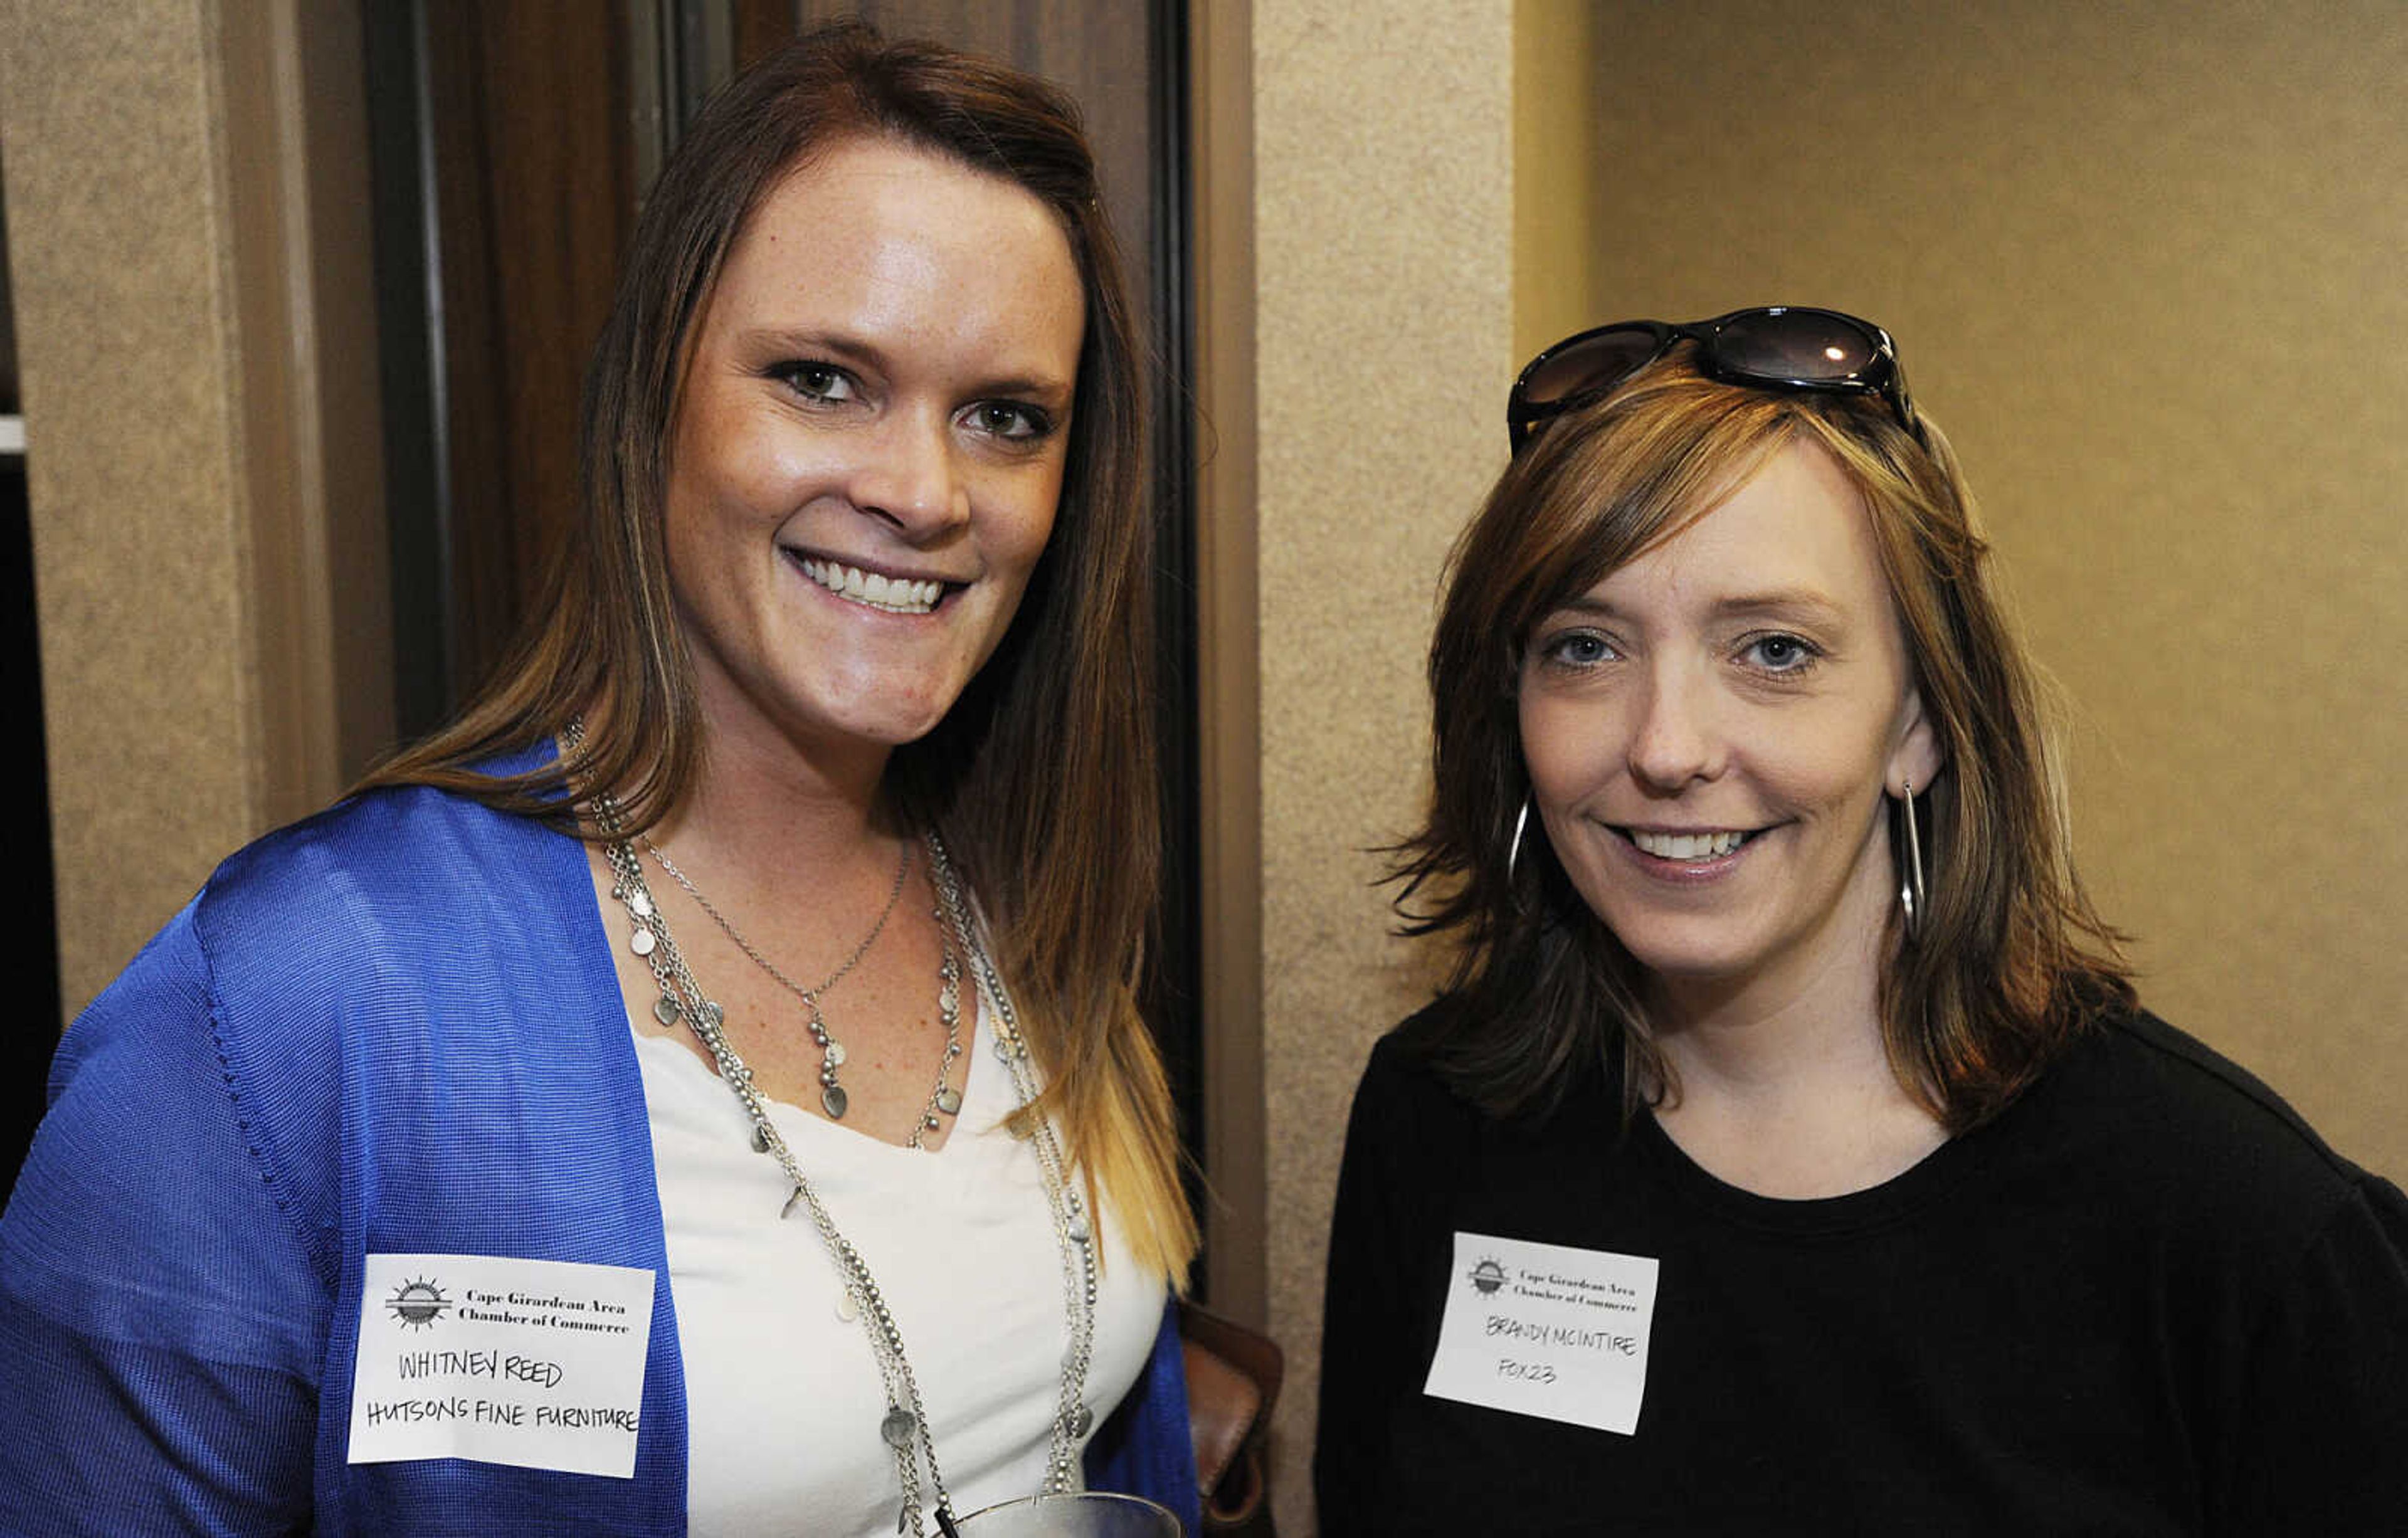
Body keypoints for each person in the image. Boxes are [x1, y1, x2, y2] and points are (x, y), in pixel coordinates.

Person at [0, 23, 1199, 1537]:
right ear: (655, 406)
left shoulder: (1027, 895)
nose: (924, 493)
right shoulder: (301, 998)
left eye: (1005, 417)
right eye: (824, 379)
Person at [1314, 308, 2408, 1534]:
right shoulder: (1439, 1120)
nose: (1666, 748)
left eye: (1774, 650)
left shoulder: (2239, 1227)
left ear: (1918, 723)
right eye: (1585, 646)